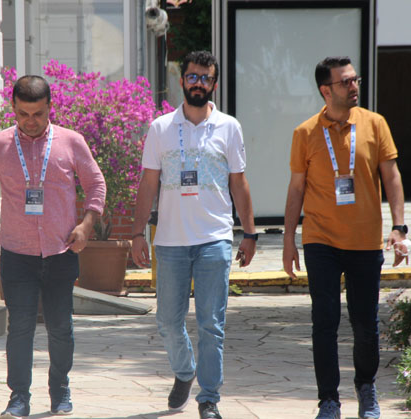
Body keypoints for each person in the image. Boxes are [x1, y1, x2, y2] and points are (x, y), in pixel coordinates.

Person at [0, 75, 106, 419]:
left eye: (38, 114)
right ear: (13, 108)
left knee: (60, 327)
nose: (31, 121)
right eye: (23, 114)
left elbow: (96, 184)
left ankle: (60, 389)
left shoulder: (71, 142)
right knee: (20, 327)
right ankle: (19, 398)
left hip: (61, 252)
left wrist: (86, 225)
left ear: (50, 109)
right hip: (17, 253)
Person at [131, 50, 257, 419]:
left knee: (211, 325)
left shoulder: (229, 127)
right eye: (192, 76)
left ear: (213, 84)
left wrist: (249, 233)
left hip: (214, 239)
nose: (198, 83)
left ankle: (209, 398)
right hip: (170, 241)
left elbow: (239, 183)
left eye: (205, 77)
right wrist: (137, 233)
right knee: (168, 322)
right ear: (182, 80)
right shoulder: (161, 128)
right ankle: (185, 372)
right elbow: (148, 183)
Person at [282, 56, 408, 419]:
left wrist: (399, 227)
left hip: (365, 241)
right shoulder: (305, 132)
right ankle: (329, 401)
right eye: (346, 82)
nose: (354, 87)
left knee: (365, 324)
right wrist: (289, 239)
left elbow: (392, 176)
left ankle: (366, 388)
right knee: (324, 322)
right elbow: (296, 188)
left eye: (355, 80)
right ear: (326, 90)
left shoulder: (375, 123)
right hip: (320, 240)